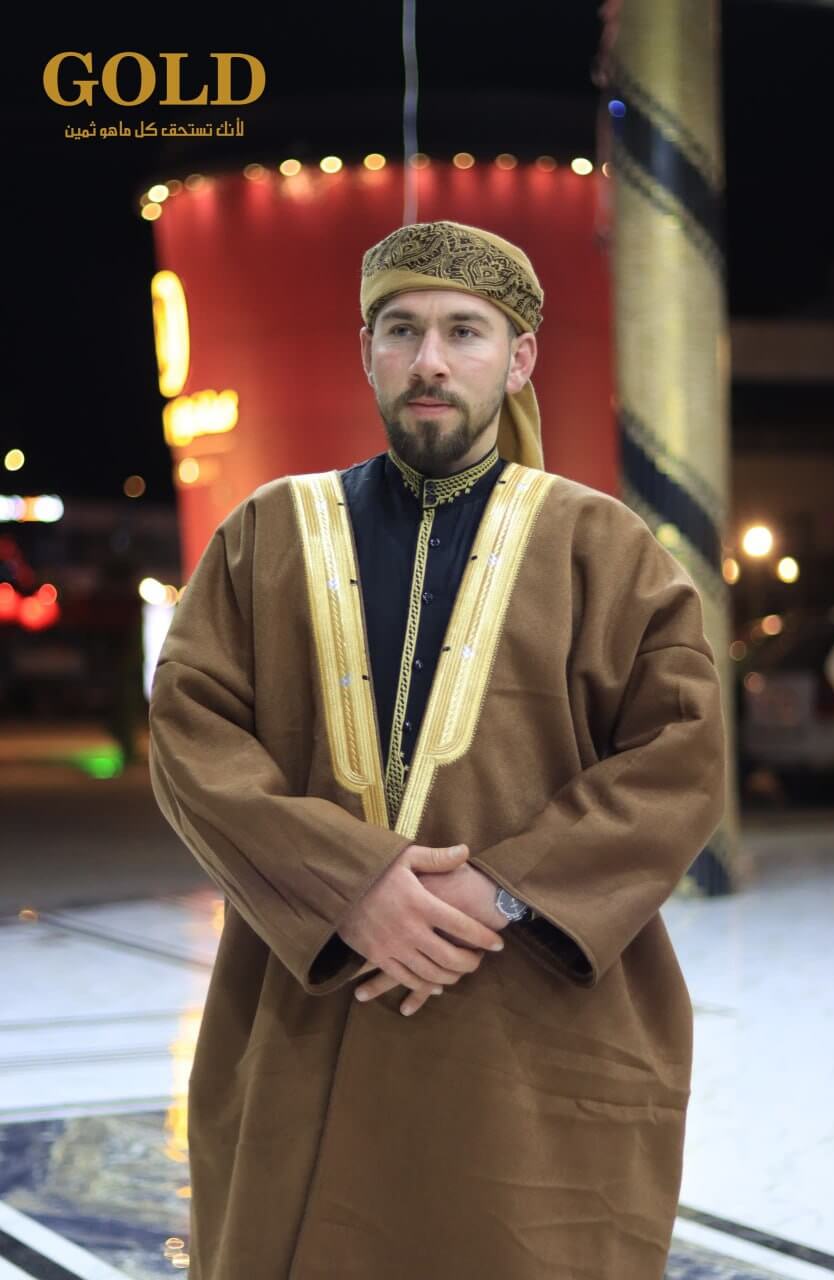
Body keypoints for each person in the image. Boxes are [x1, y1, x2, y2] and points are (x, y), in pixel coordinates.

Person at [148, 219, 726, 1280]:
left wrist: (500, 890)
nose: (429, 360)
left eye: (464, 331)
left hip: (531, 1037)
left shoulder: (603, 547)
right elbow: (192, 736)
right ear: (364, 351)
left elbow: (679, 754)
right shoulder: (267, 534)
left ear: (518, 358)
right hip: (306, 1013)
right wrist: (350, 884)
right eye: (401, 329)